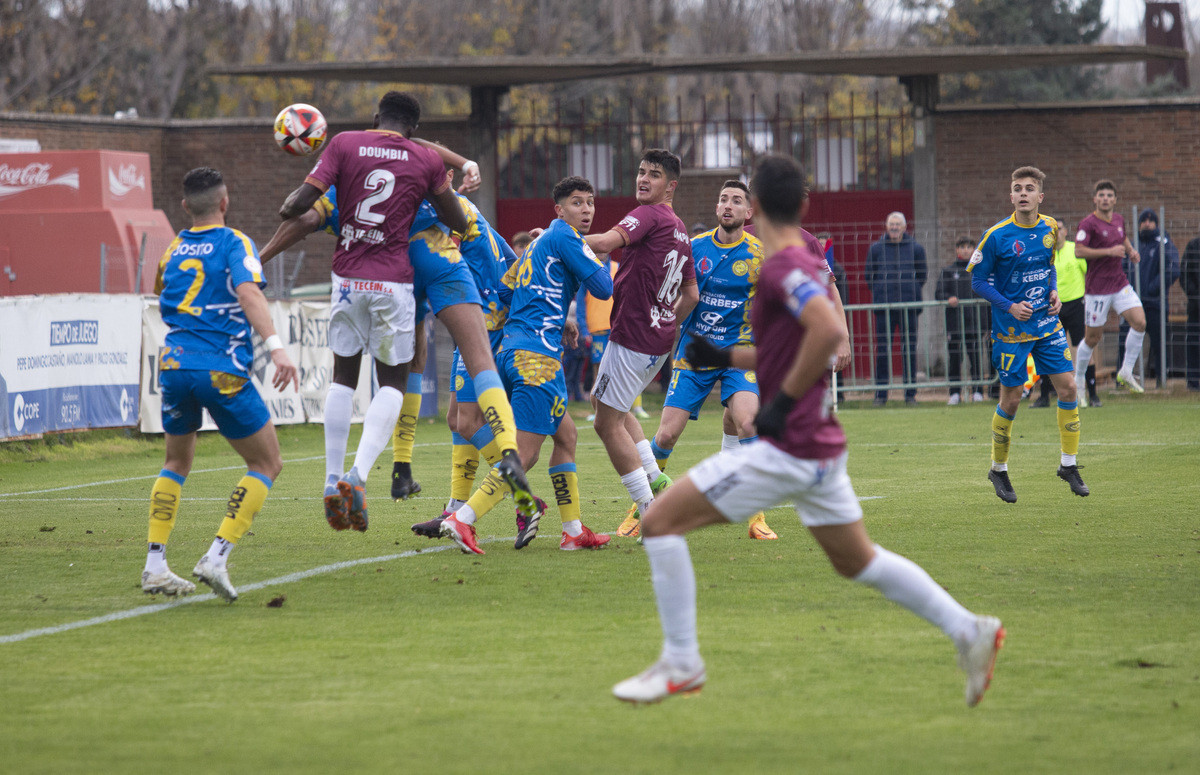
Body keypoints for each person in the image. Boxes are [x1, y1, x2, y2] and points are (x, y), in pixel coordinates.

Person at [611, 154, 1004, 707]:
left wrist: (782, 403)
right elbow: (790, 343)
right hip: (819, 448)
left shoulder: (779, 263)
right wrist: (724, 352)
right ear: (801, 204)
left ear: (756, 206)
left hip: (789, 449)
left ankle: (682, 661)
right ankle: (970, 629)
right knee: (858, 560)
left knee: (661, 521)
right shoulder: (792, 256)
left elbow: (826, 329)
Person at [278, 91, 536, 533]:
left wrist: (258, 261)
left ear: (376, 118)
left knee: (356, 375)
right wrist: (457, 173)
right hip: (436, 264)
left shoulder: (346, 151)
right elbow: (457, 217)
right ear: (414, 130)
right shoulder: (425, 163)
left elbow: (298, 214)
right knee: (466, 370)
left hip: (363, 272)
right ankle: (507, 453)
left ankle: (349, 476)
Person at [141, 167, 299, 602]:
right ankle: (216, 556)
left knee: (175, 463)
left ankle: (155, 565)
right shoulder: (235, 242)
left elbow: (161, 291)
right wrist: (277, 347)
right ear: (224, 203)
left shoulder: (171, 249)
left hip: (172, 366)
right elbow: (249, 292)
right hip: (220, 368)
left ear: (185, 206)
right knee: (267, 464)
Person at [433, 176, 615, 553]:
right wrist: (587, 251)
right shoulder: (565, 237)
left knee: (566, 436)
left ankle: (573, 530)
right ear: (559, 211)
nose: (586, 210)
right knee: (525, 453)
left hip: (513, 352)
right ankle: (461, 519)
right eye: (577, 203)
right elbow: (603, 287)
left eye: (590, 203)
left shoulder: (538, 243)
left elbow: (508, 288)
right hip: (538, 361)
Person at [641, 179, 777, 540]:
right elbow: (672, 294)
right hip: (694, 353)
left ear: (748, 213)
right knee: (667, 434)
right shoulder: (694, 249)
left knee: (749, 423)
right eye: (723, 199)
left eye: (736, 200)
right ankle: (642, 507)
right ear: (716, 209)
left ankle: (757, 518)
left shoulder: (760, 255)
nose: (728, 205)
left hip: (738, 353)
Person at [583, 149, 698, 538]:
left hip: (634, 335)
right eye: (641, 172)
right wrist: (665, 320)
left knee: (605, 423)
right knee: (607, 405)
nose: (643, 179)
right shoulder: (680, 228)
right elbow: (692, 294)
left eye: (654, 175)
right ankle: (655, 477)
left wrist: (560, 236)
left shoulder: (648, 215)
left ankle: (651, 511)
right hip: (655, 339)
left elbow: (604, 242)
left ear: (671, 186)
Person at [969, 167, 1088, 504]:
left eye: (1029, 188)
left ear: (1040, 197)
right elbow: (977, 281)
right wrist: (1009, 306)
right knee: (1012, 399)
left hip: (1046, 324)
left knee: (1068, 387)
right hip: (1011, 331)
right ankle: (999, 468)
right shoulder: (996, 236)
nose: (1023, 193)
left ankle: (1068, 464)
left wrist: (1054, 293)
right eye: (1017, 188)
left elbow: (1049, 266)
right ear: (1010, 196)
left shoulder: (1050, 227)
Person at [1072, 180, 1146, 397]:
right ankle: (1078, 381)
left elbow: (1122, 238)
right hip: (1097, 289)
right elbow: (1078, 251)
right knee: (1093, 338)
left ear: (1115, 199)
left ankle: (1126, 371)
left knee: (1140, 322)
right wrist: (1108, 251)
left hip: (1119, 283)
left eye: (1109, 195)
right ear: (1095, 199)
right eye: (1101, 195)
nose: (1105, 198)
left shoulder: (1118, 219)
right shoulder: (1088, 224)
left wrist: (1131, 251)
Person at [1034, 219, 1101, 408]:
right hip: (1051, 306)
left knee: (1083, 348)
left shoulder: (1075, 250)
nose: (1056, 233)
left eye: (1059, 229)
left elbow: (1089, 275)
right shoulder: (1044, 252)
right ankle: (1044, 396)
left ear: (1065, 231)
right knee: (1048, 348)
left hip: (1076, 304)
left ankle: (1093, 395)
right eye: (1052, 230)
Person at [866, 212, 927, 406]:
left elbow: (922, 275)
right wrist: (881, 290)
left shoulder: (916, 248)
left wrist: (911, 290)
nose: (894, 227)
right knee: (883, 350)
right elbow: (870, 275)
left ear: (904, 227)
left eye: (897, 224)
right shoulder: (876, 248)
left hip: (909, 305)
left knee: (909, 349)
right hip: (884, 306)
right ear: (886, 226)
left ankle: (910, 394)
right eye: (891, 224)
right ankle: (881, 394)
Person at [1120, 209, 1179, 383]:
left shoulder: (1164, 243)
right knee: (1125, 340)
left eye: (1151, 220)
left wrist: (1153, 288)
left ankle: (1161, 381)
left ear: (1156, 223)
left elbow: (1173, 269)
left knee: (1159, 343)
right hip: (1132, 302)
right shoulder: (1132, 245)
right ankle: (1122, 378)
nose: (1147, 223)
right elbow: (1122, 270)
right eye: (1143, 220)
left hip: (1156, 302)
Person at [936, 237, 985, 405]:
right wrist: (948, 297)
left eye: (969, 247)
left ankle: (978, 391)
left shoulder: (979, 271)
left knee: (975, 358)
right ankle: (955, 393)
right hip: (955, 324)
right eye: (962, 247)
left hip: (974, 324)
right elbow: (939, 293)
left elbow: (985, 295)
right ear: (957, 250)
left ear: (973, 250)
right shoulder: (948, 271)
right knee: (955, 359)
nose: (965, 250)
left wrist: (986, 323)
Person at [1183, 233, 1200, 391]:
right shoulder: (1193, 247)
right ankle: (1194, 383)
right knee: (1194, 344)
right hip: (1196, 308)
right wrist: (1196, 298)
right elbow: (1185, 276)